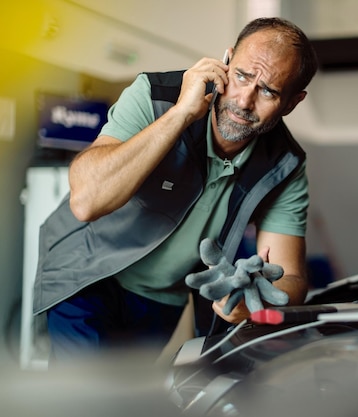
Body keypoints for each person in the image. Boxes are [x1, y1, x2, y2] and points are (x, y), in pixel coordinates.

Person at [32, 17, 319, 362]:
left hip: (160, 298)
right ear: (226, 61)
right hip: (88, 274)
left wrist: (256, 300)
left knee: (125, 400)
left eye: (268, 91)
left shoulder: (284, 163)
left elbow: (291, 277)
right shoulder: (154, 97)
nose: (244, 101)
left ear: (292, 102)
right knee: (84, 399)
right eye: (241, 76)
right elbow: (86, 201)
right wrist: (181, 114)